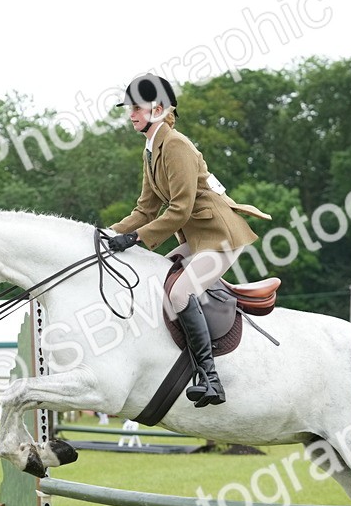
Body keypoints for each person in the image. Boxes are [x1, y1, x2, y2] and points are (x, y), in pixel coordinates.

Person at [105, 74, 271, 407]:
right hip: (197, 237)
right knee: (156, 273)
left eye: (137, 107)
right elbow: (146, 208)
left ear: (160, 108)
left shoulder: (176, 144)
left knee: (181, 291)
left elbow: (179, 210)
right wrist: (108, 234)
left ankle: (210, 378)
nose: (131, 114)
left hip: (220, 235)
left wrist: (136, 237)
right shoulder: (151, 150)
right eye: (130, 108)